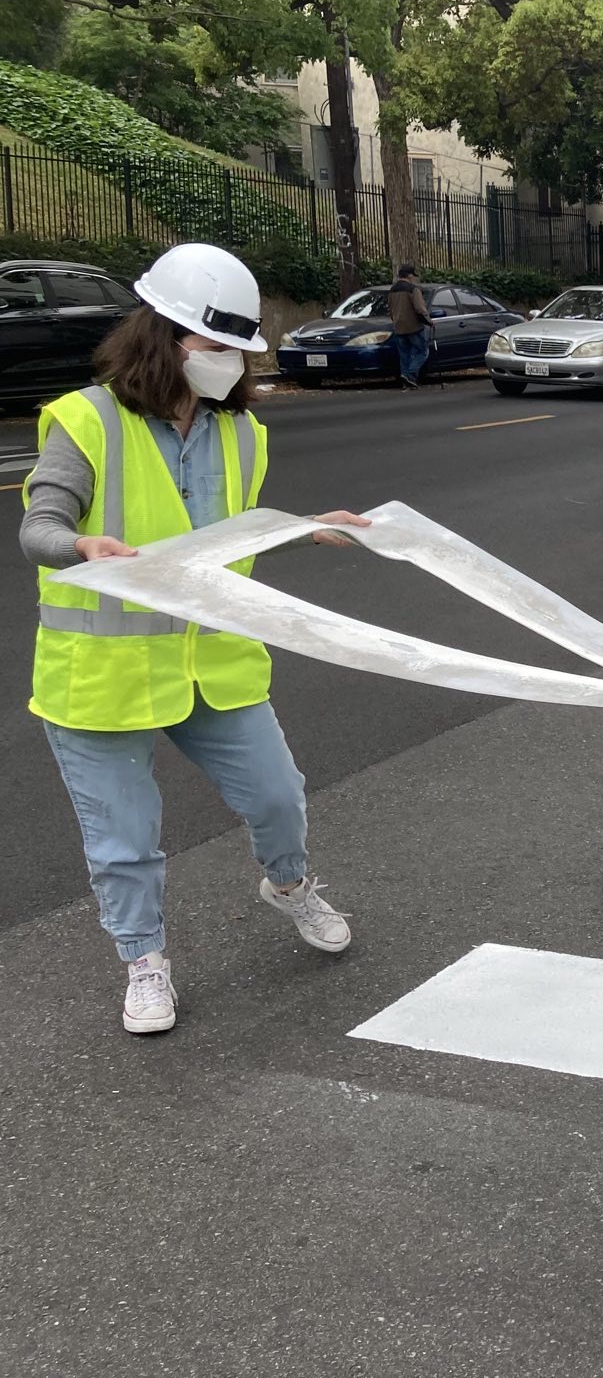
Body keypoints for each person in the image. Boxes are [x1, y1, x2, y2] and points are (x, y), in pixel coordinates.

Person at [19, 243, 373, 1036]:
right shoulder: (87, 421)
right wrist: (81, 546)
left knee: (279, 795)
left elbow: (228, 539)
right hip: (104, 674)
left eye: (236, 351)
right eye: (214, 347)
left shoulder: (241, 432)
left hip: (211, 661)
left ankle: (289, 889)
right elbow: (39, 526)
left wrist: (308, 529)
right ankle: (144, 962)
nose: (227, 364)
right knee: (125, 840)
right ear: (162, 336)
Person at [389, 264, 431, 388]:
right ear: (409, 275)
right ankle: (411, 374)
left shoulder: (392, 290)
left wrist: (395, 320)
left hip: (398, 327)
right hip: (413, 326)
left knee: (404, 355)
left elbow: (390, 309)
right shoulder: (413, 289)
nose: (413, 278)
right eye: (413, 275)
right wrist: (429, 320)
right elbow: (420, 308)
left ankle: (406, 379)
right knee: (422, 351)